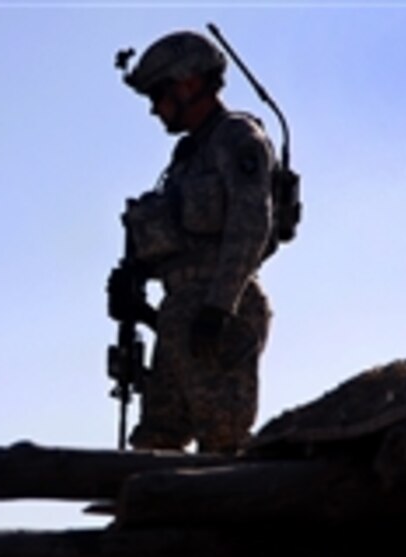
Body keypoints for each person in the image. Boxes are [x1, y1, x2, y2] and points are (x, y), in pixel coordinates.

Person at [112, 30, 275, 454]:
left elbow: (251, 221)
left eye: (159, 94)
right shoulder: (185, 160)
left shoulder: (237, 138)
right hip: (181, 312)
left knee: (221, 444)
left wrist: (220, 306)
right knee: (154, 442)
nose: (155, 109)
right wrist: (137, 290)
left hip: (220, 307)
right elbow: (181, 238)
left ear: (188, 83)